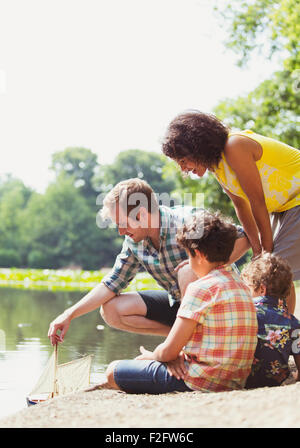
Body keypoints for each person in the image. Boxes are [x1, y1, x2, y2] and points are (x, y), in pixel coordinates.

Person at [48, 178, 249, 345]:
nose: (120, 232)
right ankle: (181, 339)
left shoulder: (188, 220)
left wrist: (203, 265)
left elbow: (245, 236)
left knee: (187, 270)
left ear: (142, 214)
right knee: (111, 309)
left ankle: (188, 344)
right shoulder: (133, 241)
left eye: (123, 224)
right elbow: (111, 284)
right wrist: (69, 314)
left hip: (218, 305)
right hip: (181, 306)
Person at [91, 210, 257, 394]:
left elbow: (168, 353)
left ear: (199, 255)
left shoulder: (200, 288)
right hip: (236, 380)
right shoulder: (242, 287)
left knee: (112, 371)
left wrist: (152, 356)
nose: (188, 262)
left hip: (202, 380)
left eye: (188, 255)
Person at [162, 110, 300, 313]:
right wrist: (256, 249)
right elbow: (241, 206)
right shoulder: (217, 167)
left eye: (183, 161)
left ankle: (280, 334)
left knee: (274, 268)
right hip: (285, 207)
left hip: (295, 201)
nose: (184, 169)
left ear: (196, 147)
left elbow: (256, 200)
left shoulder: (234, 146)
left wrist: (267, 250)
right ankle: (282, 332)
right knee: (272, 267)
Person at [241, 252, 300, 388]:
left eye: (248, 287)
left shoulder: (247, 314)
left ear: (262, 289)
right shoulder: (293, 321)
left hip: (244, 379)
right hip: (276, 380)